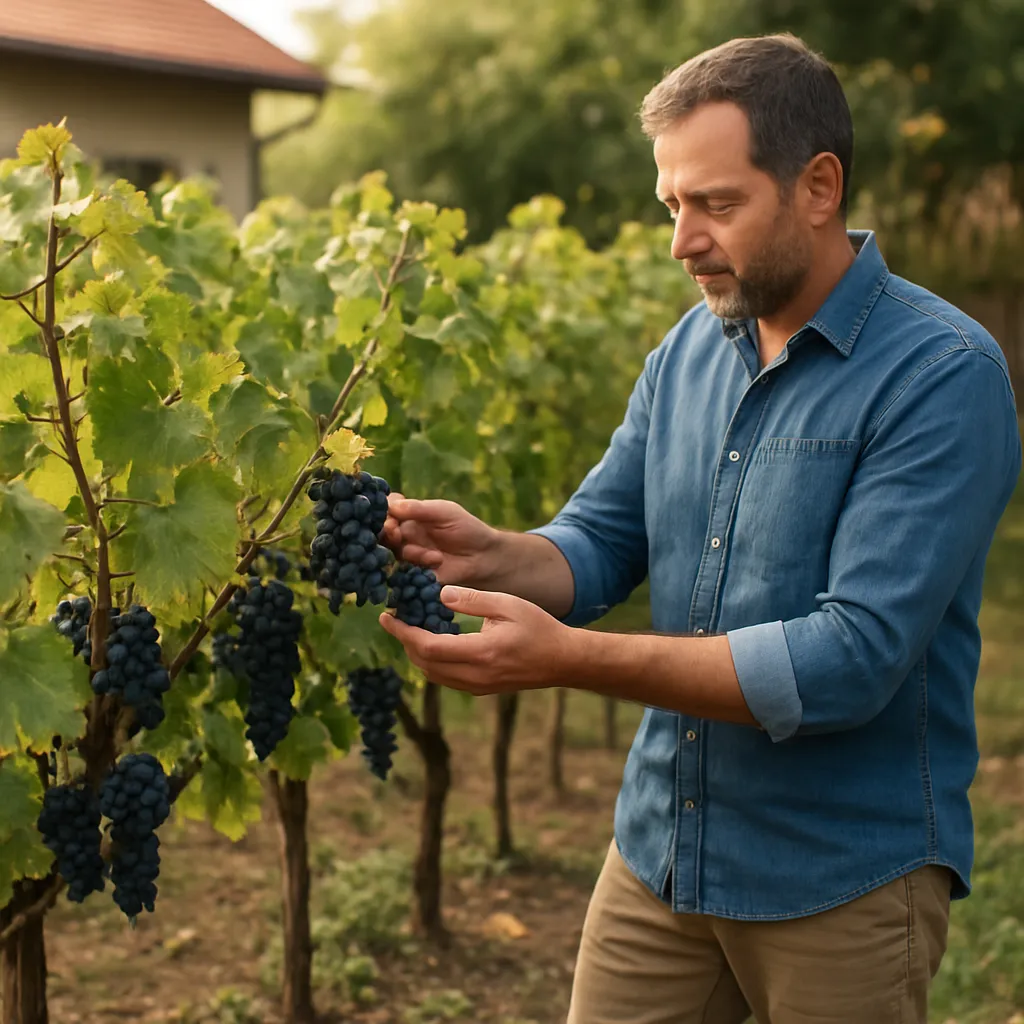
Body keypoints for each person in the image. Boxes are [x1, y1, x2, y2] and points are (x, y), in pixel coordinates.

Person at [378, 32, 1022, 1024]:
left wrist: (572, 658)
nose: (682, 240)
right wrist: (499, 555)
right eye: (671, 205)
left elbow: (850, 656)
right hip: (661, 857)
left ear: (817, 186)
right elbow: (601, 538)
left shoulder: (940, 373)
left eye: (714, 205)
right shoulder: (686, 350)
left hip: (841, 882)